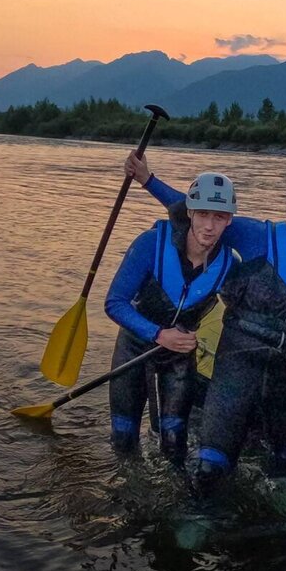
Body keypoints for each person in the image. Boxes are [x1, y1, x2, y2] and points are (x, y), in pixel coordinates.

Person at [125, 153, 286, 490]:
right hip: (237, 361)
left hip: (284, 369)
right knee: (210, 469)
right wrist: (147, 179)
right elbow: (194, 210)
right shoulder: (257, 236)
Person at [104, 172, 238, 464]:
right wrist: (158, 334)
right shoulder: (151, 243)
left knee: (175, 441)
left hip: (178, 357)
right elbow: (114, 303)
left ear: (229, 220)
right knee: (123, 438)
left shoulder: (230, 264)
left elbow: (244, 313)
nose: (209, 226)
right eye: (203, 214)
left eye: (219, 217)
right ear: (189, 212)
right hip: (134, 349)